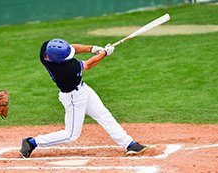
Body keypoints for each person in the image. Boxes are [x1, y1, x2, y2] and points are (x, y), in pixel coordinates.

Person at [20, 38, 148, 158]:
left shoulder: (46, 50)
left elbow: (72, 48)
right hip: (73, 97)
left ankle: (130, 144)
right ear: (58, 60)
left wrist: (92, 48)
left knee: (104, 116)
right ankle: (32, 142)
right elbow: (89, 64)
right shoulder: (66, 69)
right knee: (71, 135)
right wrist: (104, 54)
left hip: (83, 89)